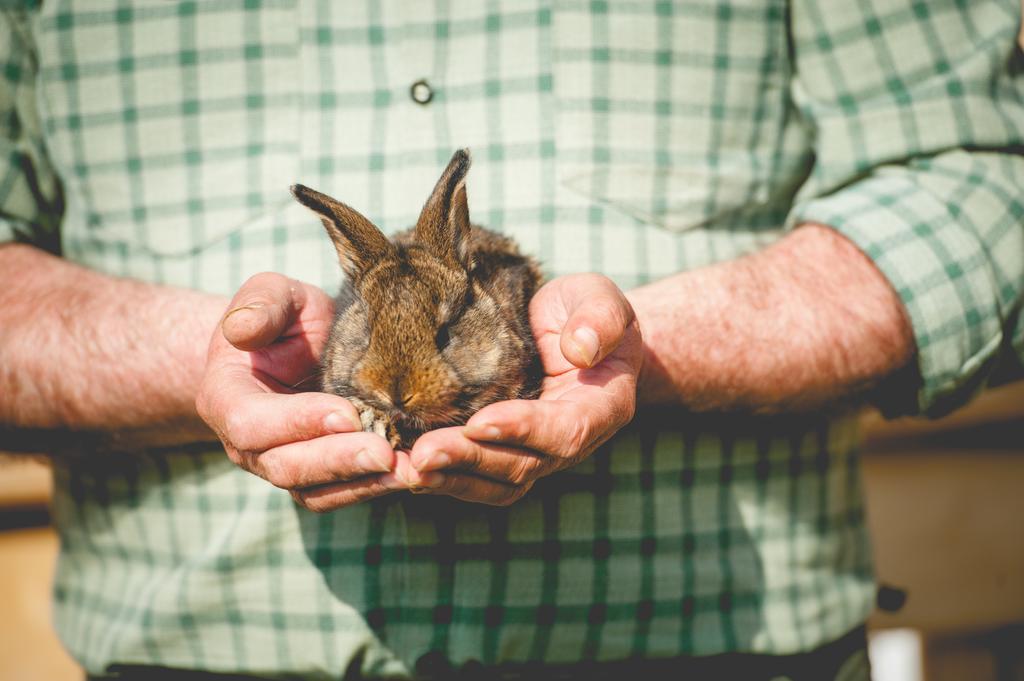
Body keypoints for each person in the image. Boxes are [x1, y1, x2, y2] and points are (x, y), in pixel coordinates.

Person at [1, 1, 1021, 679]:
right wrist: (223, 361)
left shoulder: (489, 299)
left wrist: (625, 349)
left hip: (721, 648)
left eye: (447, 331)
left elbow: (982, 179)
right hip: (187, 658)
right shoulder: (359, 319)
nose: (407, 379)